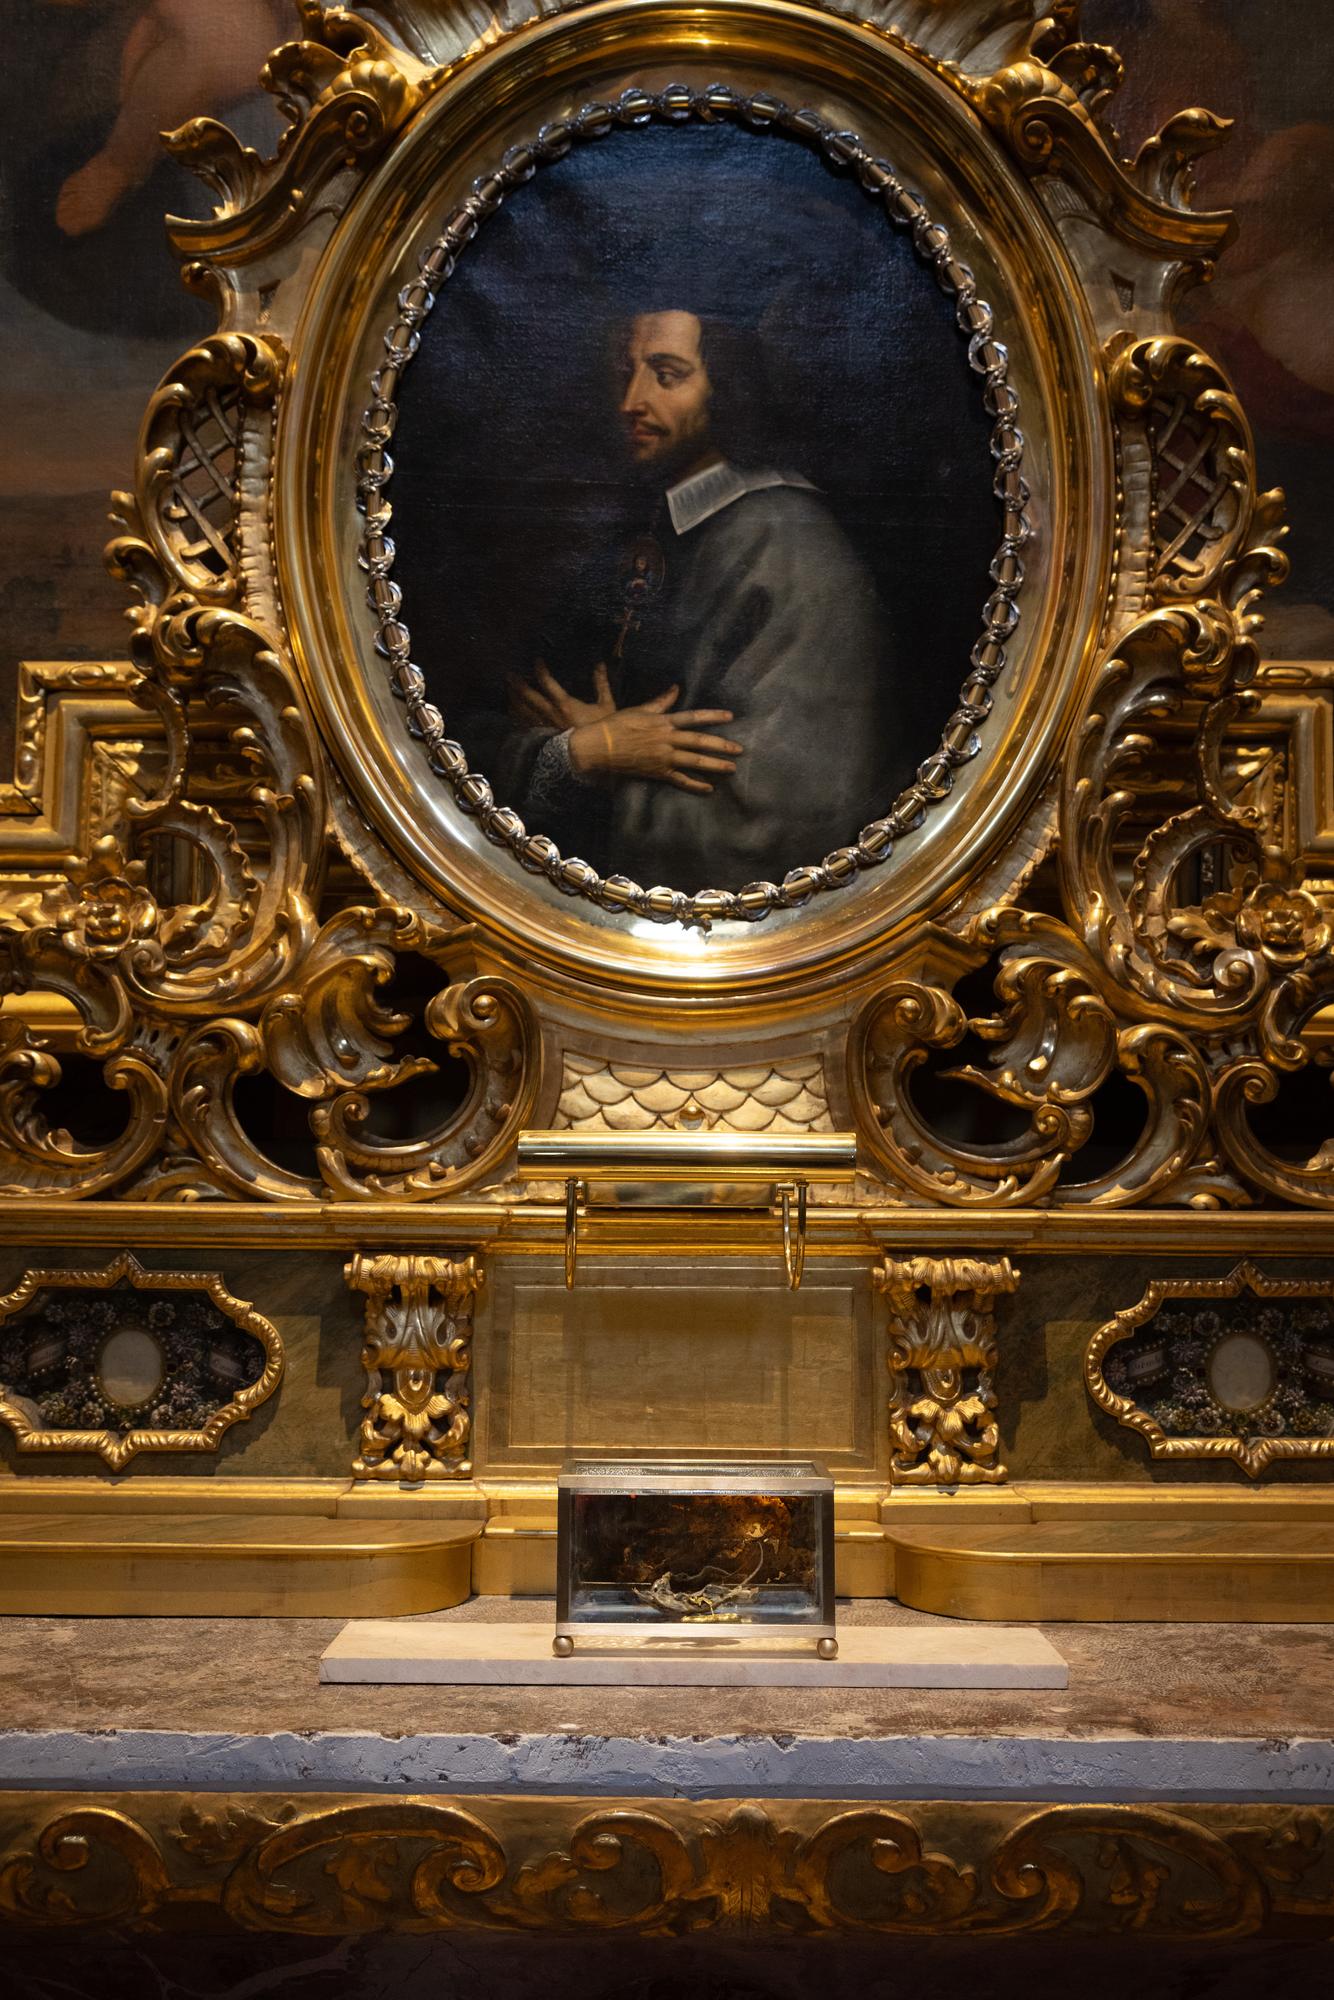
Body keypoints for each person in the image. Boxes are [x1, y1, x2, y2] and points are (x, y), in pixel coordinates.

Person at [497, 308, 889, 892]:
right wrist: (587, 749)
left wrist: (594, 759)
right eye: (626, 373)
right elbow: (503, 718)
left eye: (667, 375)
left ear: (726, 387)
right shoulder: (640, 522)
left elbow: (782, 824)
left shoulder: (791, 546)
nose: (630, 401)